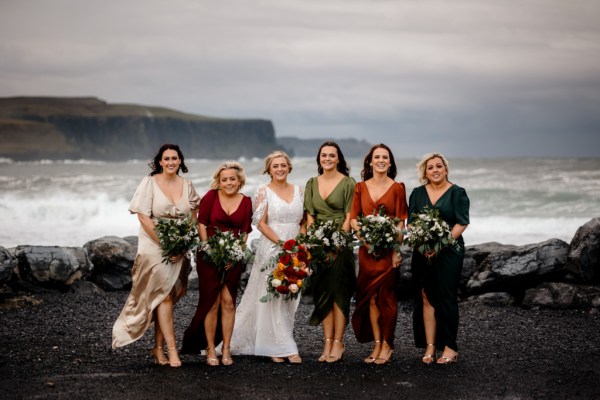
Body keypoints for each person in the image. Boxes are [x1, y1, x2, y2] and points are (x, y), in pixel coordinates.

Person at [112, 144, 200, 368]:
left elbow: (193, 217)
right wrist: (167, 244)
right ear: (160, 162)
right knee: (164, 296)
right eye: (166, 158)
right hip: (154, 244)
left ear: (180, 161)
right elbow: (143, 217)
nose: (171, 162)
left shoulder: (187, 185)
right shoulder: (149, 183)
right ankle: (172, 351)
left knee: (168, 297)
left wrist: (181, 244)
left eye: (175, 158)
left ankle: (158, 348)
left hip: (179, 246)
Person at [229, 151, 306, 363]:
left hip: (295, 249)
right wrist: (282, 244)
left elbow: (303, 222)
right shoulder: (264, 191)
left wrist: (297, 244)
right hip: (273, 247)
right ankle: (278, 347)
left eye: (283, 165)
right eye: (275, 166)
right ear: (269, 170)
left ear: (289, 167)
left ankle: (281, 339)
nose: (279, 169)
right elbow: (260, 224)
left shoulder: (299, 191)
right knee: (272, 293)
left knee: (290, 295)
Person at [180, 161, 252, 366]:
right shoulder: (210, 197)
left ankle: (226, 349)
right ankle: (210, 348)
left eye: (232, 179)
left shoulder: (246, 201)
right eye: (224, 180)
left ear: (239, 181)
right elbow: (201, 223)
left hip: (232, 257)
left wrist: (235, 253)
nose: (228, 183)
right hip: (208, 256)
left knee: (228, 302)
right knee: (211, 303)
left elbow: (245, 232)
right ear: (219, 182)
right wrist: (207, 248)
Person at [409, 153, 469, 365]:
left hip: (449, 251)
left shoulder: (457, 193)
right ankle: (430, 346)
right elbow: (411, 223)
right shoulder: (417, 193)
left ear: (445, 169)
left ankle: (450, 347)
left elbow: (461, 223)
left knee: (446, 296)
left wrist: (439, 245)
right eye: (430, 167)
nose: (435, 170)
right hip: (422, 252)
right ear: (424, 172)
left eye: (438, 166)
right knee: (426, 296)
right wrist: (422, 243)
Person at [350, 143, 407, 364]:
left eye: (385, 157)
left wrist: (395, 252)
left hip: (387, 253)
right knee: (371, 299)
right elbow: (354, 218)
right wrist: (364, 237)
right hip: (367, 252)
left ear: (390, 162)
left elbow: (401, 223)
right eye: (377, 157)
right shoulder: (360, 187)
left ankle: (388, 345)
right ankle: (376, 344)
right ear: (370, 162)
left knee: (387, 299)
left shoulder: (398, 188)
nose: (381, 160)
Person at [303, 141, 356, 363]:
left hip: (340, 244)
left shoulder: (348, 183)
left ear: (339, 159)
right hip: (318, 245)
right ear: (319, 159)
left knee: (339, 293)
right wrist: (313, 243)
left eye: (332, 155)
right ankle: (326, 342)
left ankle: (338, 342)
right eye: (323, 155)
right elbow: (310, 217)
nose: (327, 158)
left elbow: (349, 217)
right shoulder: (312, 183)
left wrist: (338, 243)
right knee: (323, 293)